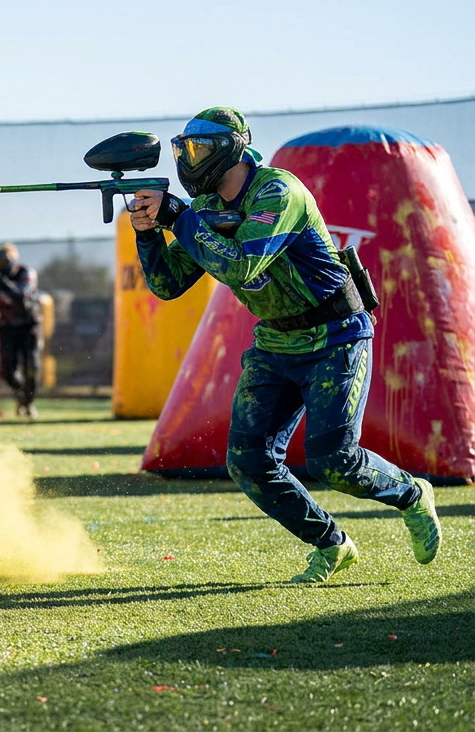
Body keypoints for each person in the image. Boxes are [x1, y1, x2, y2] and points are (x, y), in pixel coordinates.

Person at [126, 106, 442, 583]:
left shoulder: (278, 190)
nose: (189, 161)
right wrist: (148, 233)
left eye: (200, 150)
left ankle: (412, 494)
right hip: (277, 342)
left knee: (334, 461)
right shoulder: (208, 209)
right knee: (248, 461)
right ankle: (331, 544)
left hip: (336, 335)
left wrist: (179, 217)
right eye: (183, 150)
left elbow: (241, 267)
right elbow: (168, 284)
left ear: (231, 149)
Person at [0, 243, 43, 417]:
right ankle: (22, 397)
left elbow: (20, 297)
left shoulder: (25, 273)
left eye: (5, 260)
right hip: (7, 328)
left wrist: (0, 281)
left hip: (29, 326)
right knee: (8, 371)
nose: (2, 264)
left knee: (32, 368)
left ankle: (29, 403)